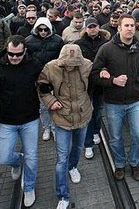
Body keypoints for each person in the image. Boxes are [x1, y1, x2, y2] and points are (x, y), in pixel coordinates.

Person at [91, 14, 139, 181]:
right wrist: (113, 80)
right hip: (113, 103)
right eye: (126, 26)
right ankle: (119, 164)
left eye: (132, 26)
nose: (129, 29)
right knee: (116, 137)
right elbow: (94, 74)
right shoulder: (106, 49)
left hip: (136, 101)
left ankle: (134, 162)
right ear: (118, 28)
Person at [0, 35, 42, 207]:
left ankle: (29, 187)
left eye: (18, 54)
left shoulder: (34, 65)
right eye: (11, 54)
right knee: (3, 157)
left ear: (25, 52)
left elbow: (45, 82)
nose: (14, 57)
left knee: (32, 157)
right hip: (7, 120)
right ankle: (17, 161)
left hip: (30, 118)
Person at [38, 44, 93, 209]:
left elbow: (97, 79)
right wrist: (50, 101)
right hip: (62, 119)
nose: (70, 67)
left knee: (78, 148)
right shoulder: (50, 68)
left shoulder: (88, 65)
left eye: (74, 64)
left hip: (83, 116)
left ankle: (74, 166)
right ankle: (63, 195)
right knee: (61, 158)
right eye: (67, 64)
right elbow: (42, 88)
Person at [74, 17, 110, 159]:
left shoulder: (106, 43)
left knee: (98, 110)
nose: (92, 29)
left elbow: (109, 61)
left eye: (94, 26)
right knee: (87, 113)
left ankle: (96, 130)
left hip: (100, 85)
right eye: (89, 27)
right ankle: (88, 144)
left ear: (99, 27)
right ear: (85, 29)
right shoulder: (79, 44)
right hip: (85, 85)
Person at [25, 17, 64, 141]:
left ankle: (55, 127)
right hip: (39, 78)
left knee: (56, 103)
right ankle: (46, 127)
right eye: (40, 29)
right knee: (43, 106)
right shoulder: (29, 41)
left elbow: (62, 58)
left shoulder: (58, 40)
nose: (43, 32)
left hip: (55, 77)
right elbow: (27, 60)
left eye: (45, 29)